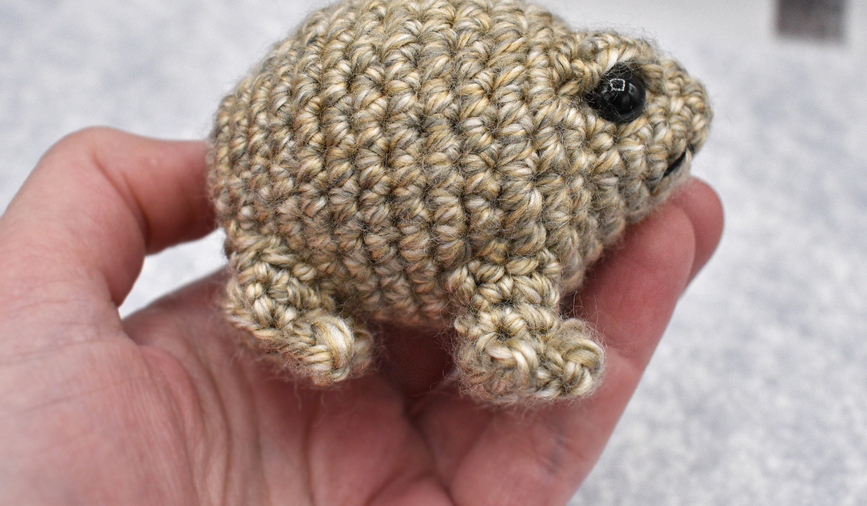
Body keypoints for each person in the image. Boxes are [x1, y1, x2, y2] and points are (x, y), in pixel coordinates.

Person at [0, 127, 723, 505]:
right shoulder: (523, 219)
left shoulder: (557, 210)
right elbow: (500, 328)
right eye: (623, 96)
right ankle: (285, 286)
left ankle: (286, 285)